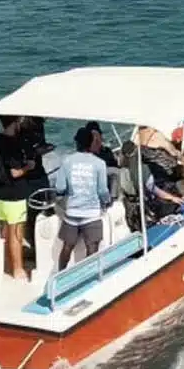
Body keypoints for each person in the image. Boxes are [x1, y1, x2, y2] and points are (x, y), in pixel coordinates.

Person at [53, 125, 114, 270]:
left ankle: (60, 274)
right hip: (92, 214)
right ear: (91, 143)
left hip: (72, 212)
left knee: (67, 247)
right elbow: (102, 191)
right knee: (92, 248)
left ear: (77, 143)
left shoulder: (67, 161)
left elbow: (60, 188)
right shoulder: (100, 163)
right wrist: (107, 201)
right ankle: (87, 275)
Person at [0, 114, 33, 281]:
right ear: (16, 122)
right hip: (14, 194)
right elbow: (15, 172)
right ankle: (18, 270)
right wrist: (29, 166)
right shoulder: (13, 144)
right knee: (16, 233)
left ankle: (7, 265)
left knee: (5, 232)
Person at [18, 116, 54, 274]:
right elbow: (26, 152)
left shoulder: (38, 125)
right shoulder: (24, 129)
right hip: (30, 177)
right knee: (34, 213)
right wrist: (38, 151)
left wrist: (42, 149)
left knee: (44, 210)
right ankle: (33, 251)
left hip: (38, 174)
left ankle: (36, 249)